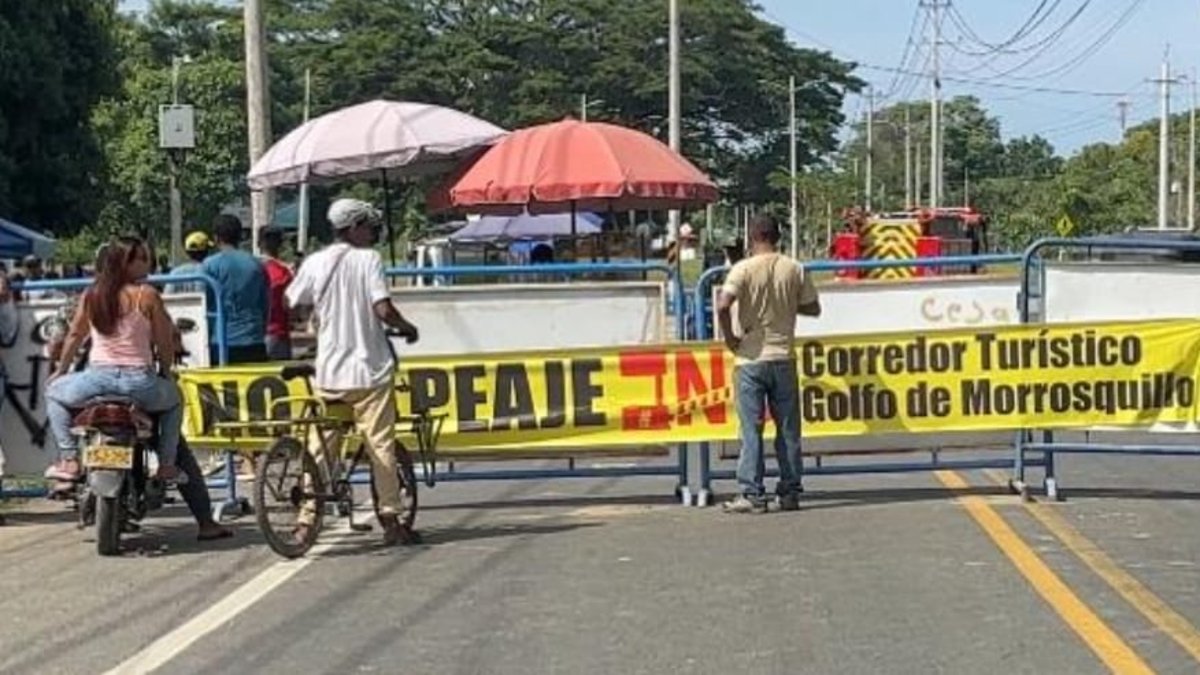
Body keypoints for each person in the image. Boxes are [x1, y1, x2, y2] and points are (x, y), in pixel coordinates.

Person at [42, 236, 231, 540]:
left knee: (53, 392)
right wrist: (166, 372)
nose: (148, 263)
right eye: (141, 258)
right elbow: (164, 341)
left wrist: (61, 371)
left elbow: (75, 336)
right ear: (125, 263)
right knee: (175, 402)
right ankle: (170, 470)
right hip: (140, 384)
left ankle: (69, 458)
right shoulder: (147, 295)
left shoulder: (93, 294)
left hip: (97, 381)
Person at [286, 198, 420, 546]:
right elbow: (383, 309)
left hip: (330, 373)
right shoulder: (368, 259)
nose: (373, 234)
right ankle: (390, 519)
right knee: (380, 445)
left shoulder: (315, 262)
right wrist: (407, 327)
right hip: (369, 372)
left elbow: (293, 303)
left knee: (320, 448)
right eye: (369, 227)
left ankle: (306, 521)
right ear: (355, 227)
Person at [716, 214, 821, 514]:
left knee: (751, 430)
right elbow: (814, 308)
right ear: (778, 237)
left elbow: (723, 304)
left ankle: (752, 493)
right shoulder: (794, 268)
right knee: (788, 429)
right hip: (784, 356)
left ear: (752, 237)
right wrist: (787, 304)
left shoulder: (742, 269)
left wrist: (730, 338)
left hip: (750, 359)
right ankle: (789, 491)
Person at [202, 214, 268, 364]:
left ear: (216, 238)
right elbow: (265, 304)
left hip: (221, 343)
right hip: (254, 340)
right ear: (240, 236)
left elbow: (203, 304)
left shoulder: (210, 265)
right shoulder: (256, 264)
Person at [260, 228, 294, 360]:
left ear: (259, 243)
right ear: (280, 244)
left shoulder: (252, 268)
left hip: (255, 334)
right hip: (278, 333)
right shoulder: (284, 271)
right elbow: (292, 306)